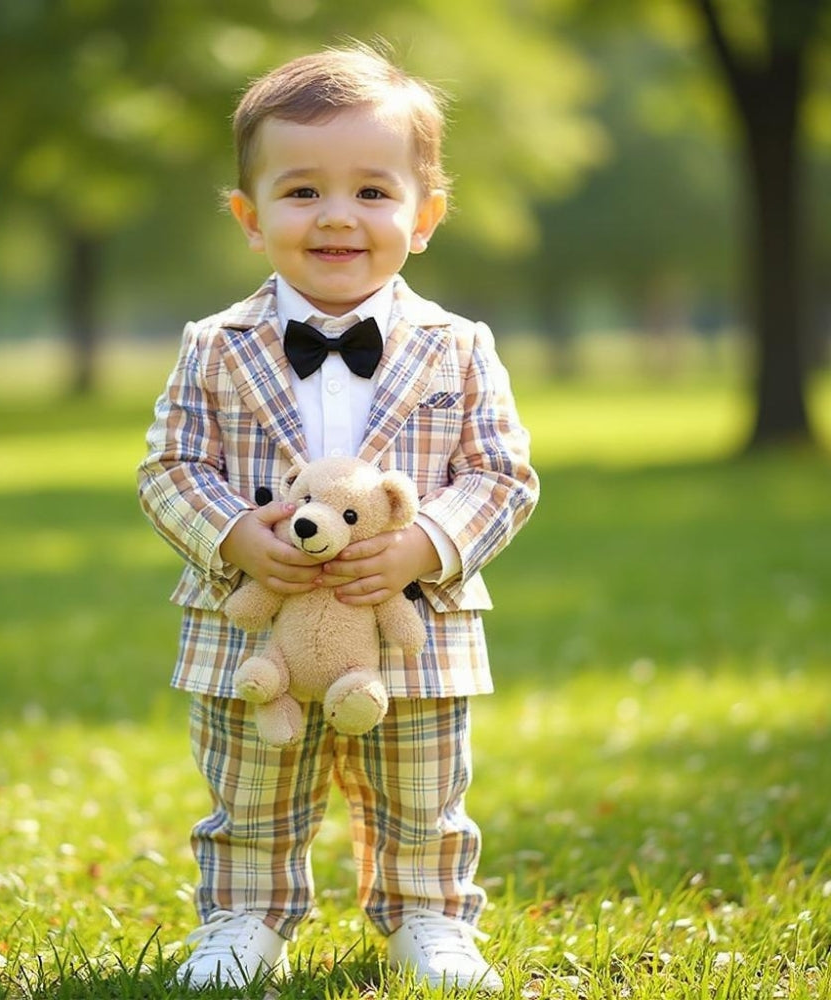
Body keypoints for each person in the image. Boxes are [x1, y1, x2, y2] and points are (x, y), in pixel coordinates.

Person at [137, 44, 539, 994]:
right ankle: (246, 916)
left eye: (371, 191)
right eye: (302, 190)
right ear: (250, 216)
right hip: (256, 633)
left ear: (425, 215)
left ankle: (428, 919)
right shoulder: (214, 347)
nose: (336, 216)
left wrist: (424, 544)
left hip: (414, 632)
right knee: (251, 788)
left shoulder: (460, 347)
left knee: (422, 791)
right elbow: (168, 468)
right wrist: (235, 535)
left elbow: (502, 475)